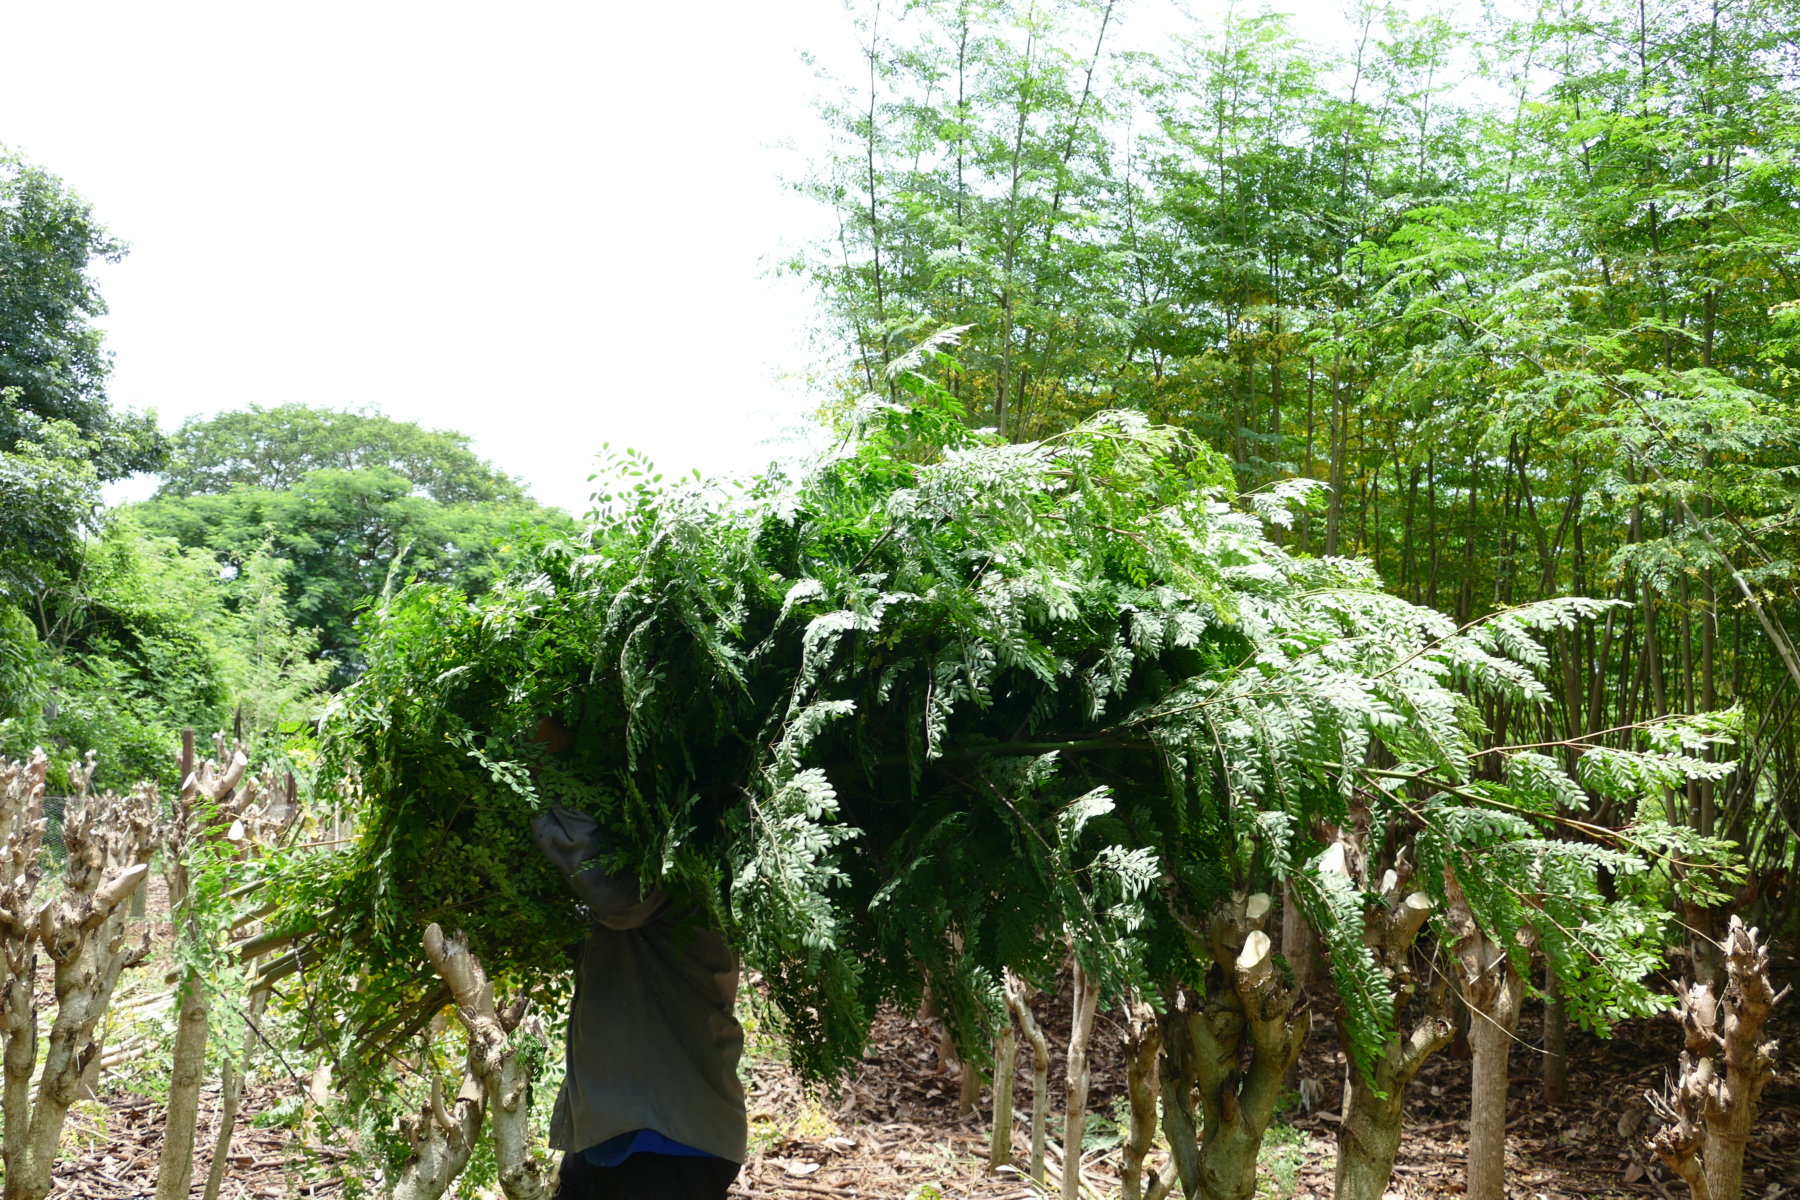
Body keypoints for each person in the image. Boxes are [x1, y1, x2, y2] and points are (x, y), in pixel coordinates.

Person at [531, 802, 747, 1200]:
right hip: (612, 1130)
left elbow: (617, 897)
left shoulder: (681, 879)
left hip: (667, 1138)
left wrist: (546, 772)